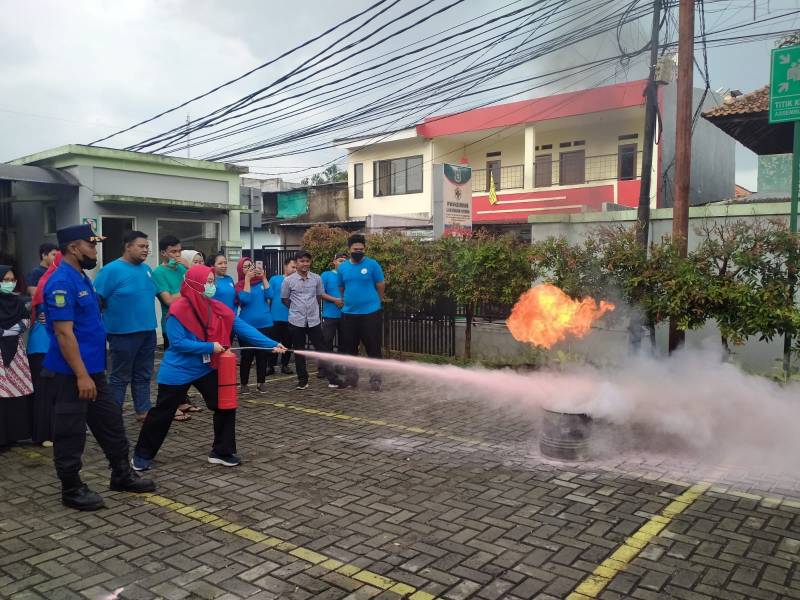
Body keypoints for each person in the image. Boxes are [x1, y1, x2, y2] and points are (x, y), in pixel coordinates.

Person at [41, 224, 155, 510]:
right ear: (73, 248)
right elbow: (64, 334)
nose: (95, 250)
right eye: (91, 245)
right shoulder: (61, 282)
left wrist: (90, 373)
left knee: (111, 424)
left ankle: (121, 474)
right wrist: (81, 375)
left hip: (93, 371)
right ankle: (71, 489)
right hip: (71, 375)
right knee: (71, 432)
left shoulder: (82, 277)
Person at [132, 265, 285, 471]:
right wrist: (210, 346)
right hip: (178, 370)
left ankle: (222, 451)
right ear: (195, 284)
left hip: (206, 367)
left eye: (213, 282)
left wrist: (271, 344)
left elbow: (242, 327)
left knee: (225, 406)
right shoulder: (178, 310)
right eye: (209, 282)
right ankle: (142, 455)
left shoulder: (217, 307)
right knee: (163, 413)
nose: (212, 286)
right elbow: (177, 343)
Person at [93, 231, 158, 423]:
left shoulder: (146, 269)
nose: (145, 250)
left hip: (147, 330)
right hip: (122, 333)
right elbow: (97, 300)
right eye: (141, 246)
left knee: (144, 374)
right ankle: (113, 415)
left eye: (147, 246)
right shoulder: (111, 270)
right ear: (128, 246)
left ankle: (143, 411)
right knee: (119, 377)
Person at [152, 235, 198, 421]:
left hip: (191, 322)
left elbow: (201, 284)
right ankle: (170, 405)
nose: (177, 255)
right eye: (173, 252)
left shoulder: (182, 268)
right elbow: (168, 300)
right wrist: (188, 289)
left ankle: (182, 400)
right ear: (164, 253)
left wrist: (189, 268)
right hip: (172, 323)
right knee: (175, 365)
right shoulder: (158, 273)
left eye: (179, 251)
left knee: (188, 364)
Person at [281, 251, 337, 390]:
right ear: (296, 263)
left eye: (307, 261)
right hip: (296, 321)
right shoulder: (288, 281)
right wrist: (296, 309)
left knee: (322, 349)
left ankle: (332, 379)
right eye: (302, 261)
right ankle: (303, 380)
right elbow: (284, 299)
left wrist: (311, 310)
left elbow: (318, 296)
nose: (305, 264)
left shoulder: (316, 278)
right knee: (300, 351)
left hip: (313, 321)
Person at [337, 234, 385, 391]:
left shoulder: (372, 265)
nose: (358, 251)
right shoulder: (343, 267)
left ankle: (375, 379)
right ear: (349, 249)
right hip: (349, 314)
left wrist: (377, 301)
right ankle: (351, 378)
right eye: (355, 249)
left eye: (361, 249)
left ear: (365, 249)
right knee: (350, 348)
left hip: (370, 313)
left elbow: (380, 284)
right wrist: (346, 300)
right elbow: (342, 287)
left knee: (373, 347)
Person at [28, 252, 61, 447]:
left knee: (55, 390)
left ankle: (54, 430)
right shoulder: (49, 283)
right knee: (45, 392)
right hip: (43, 344)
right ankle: (44, 433)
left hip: (51, 343)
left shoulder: (53, 280)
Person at [0, 265, 33, 447]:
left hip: (16, 352)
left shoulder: (18, 301)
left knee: (14, 392)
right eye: (4, 280)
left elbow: (26, 320)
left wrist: (7, 332)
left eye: (11, 280)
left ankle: (13, 434)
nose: (9, 283)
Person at [235, 257, 273, 394]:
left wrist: (263, 278)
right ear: (240, 270)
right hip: (247, 326)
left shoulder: (260, 283)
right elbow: (245, 299)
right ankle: (244, 384)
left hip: (266, 324)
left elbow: (271, 294)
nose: (249, 268)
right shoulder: (239, 285)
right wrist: (247, 280)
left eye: (250, 265)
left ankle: (261, 382)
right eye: (245, 267)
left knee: (263, 355)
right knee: (247, 355)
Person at [319, 252, 347, 384]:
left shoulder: (348, 276)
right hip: (330, 315)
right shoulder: (326, 275)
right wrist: (335, 300)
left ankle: (340, 366)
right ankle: (323, 368)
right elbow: (320, 293)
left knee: (344, 343)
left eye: (345, 261)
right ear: (334, 262)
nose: (343, 263)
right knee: (326, 342)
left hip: (345, 315)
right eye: (340, 260)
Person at [266, 257, 296, 376]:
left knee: (287, 343)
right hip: (275, 317)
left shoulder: (297, 281)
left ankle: (285, 365)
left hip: (290, 318)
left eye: (295, 267)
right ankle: (271, 365)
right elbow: (269, 297)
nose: (294, 269)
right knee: (273, 343)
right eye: (292, 267)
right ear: (285, 266)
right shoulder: (275, 279)